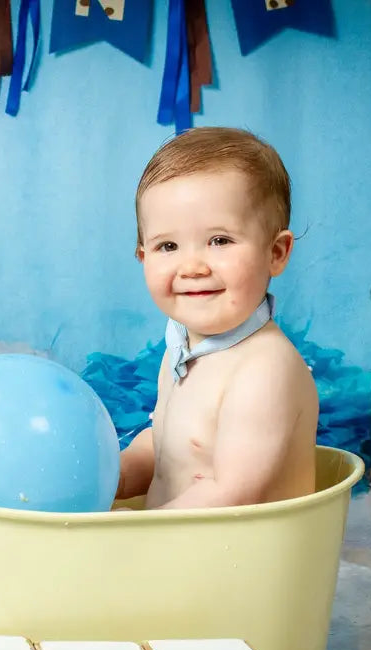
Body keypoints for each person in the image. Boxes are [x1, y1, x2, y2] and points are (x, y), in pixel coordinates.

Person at [116, 127, 319, 510]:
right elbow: (169, 446)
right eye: (168, 246)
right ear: (143, 256)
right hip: (182, 542)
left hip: (246, 548)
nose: (192, 266)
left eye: (219, 241)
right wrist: (119, 474)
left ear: (275, 252)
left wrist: (134, 534)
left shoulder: (264, 369)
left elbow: (233, 492)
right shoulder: (181, 347)